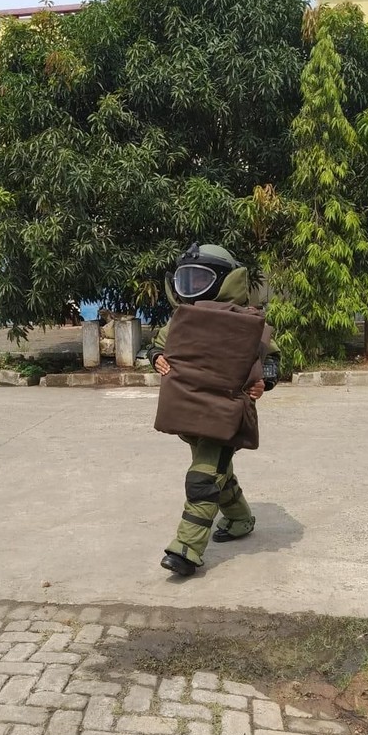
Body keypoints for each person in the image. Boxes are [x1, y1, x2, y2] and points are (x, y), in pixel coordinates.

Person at [148, 243, 279, 577]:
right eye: (185, 280)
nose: (191, 289)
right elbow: (156, 346)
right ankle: (240, 519)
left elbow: (271, 359)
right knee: (219, 473)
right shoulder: (181, 321)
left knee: (202, 478)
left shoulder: (247, 322)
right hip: (189, 411)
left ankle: (186, 550)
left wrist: (263, 381)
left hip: (226, 413)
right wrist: (156, 359)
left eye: (199, 279)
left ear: (225, 281)